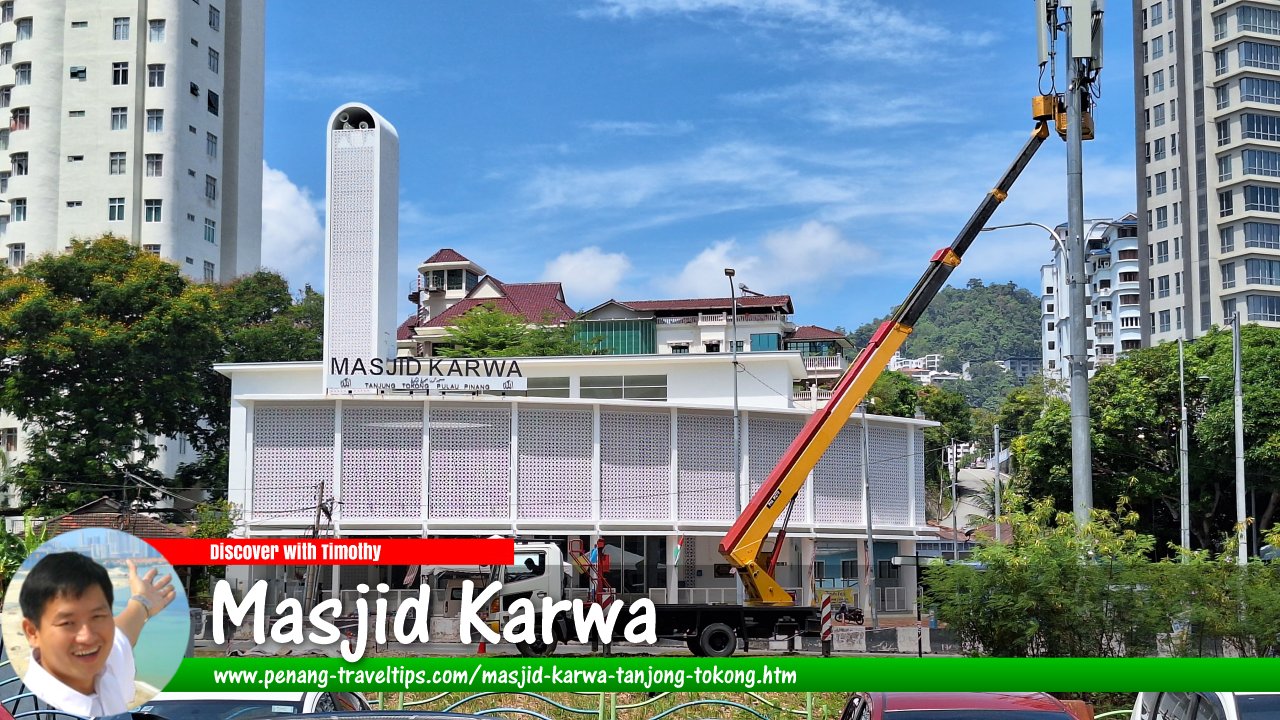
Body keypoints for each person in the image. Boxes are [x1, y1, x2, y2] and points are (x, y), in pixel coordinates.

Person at [19, 552, 177, 717]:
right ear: (32, 632)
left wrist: (142, 602)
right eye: (67, 623)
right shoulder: (39, 707)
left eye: (97, 616)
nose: (87, 637)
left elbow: (121, 635)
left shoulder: (104, 665)